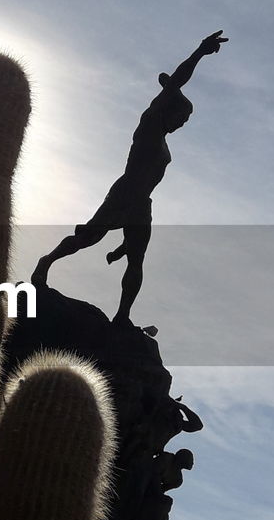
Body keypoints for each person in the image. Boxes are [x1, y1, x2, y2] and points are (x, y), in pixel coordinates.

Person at [31, 30, 228, 322]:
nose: (182, 124)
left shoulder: (164, 147)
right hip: (124, 193)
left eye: (186, 122)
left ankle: (122, 316)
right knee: (88, 238)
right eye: (182, 118)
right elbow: (175, 81)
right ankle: (46, 262)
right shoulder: (149, 126)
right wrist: (199, 52)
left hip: (142, 204)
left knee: (137, 260)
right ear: (170, 110)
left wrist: (125, 241)